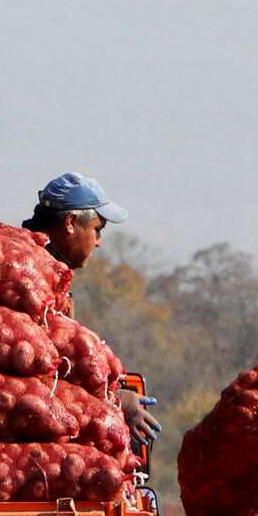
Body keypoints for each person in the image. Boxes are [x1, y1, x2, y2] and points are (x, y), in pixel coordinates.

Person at [23, 171, 159, 446]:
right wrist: (114, 401)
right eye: (97, 230)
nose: (98, 242)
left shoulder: (52, 279)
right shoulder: (30, 280)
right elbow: (45, 373)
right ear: (71, 223)